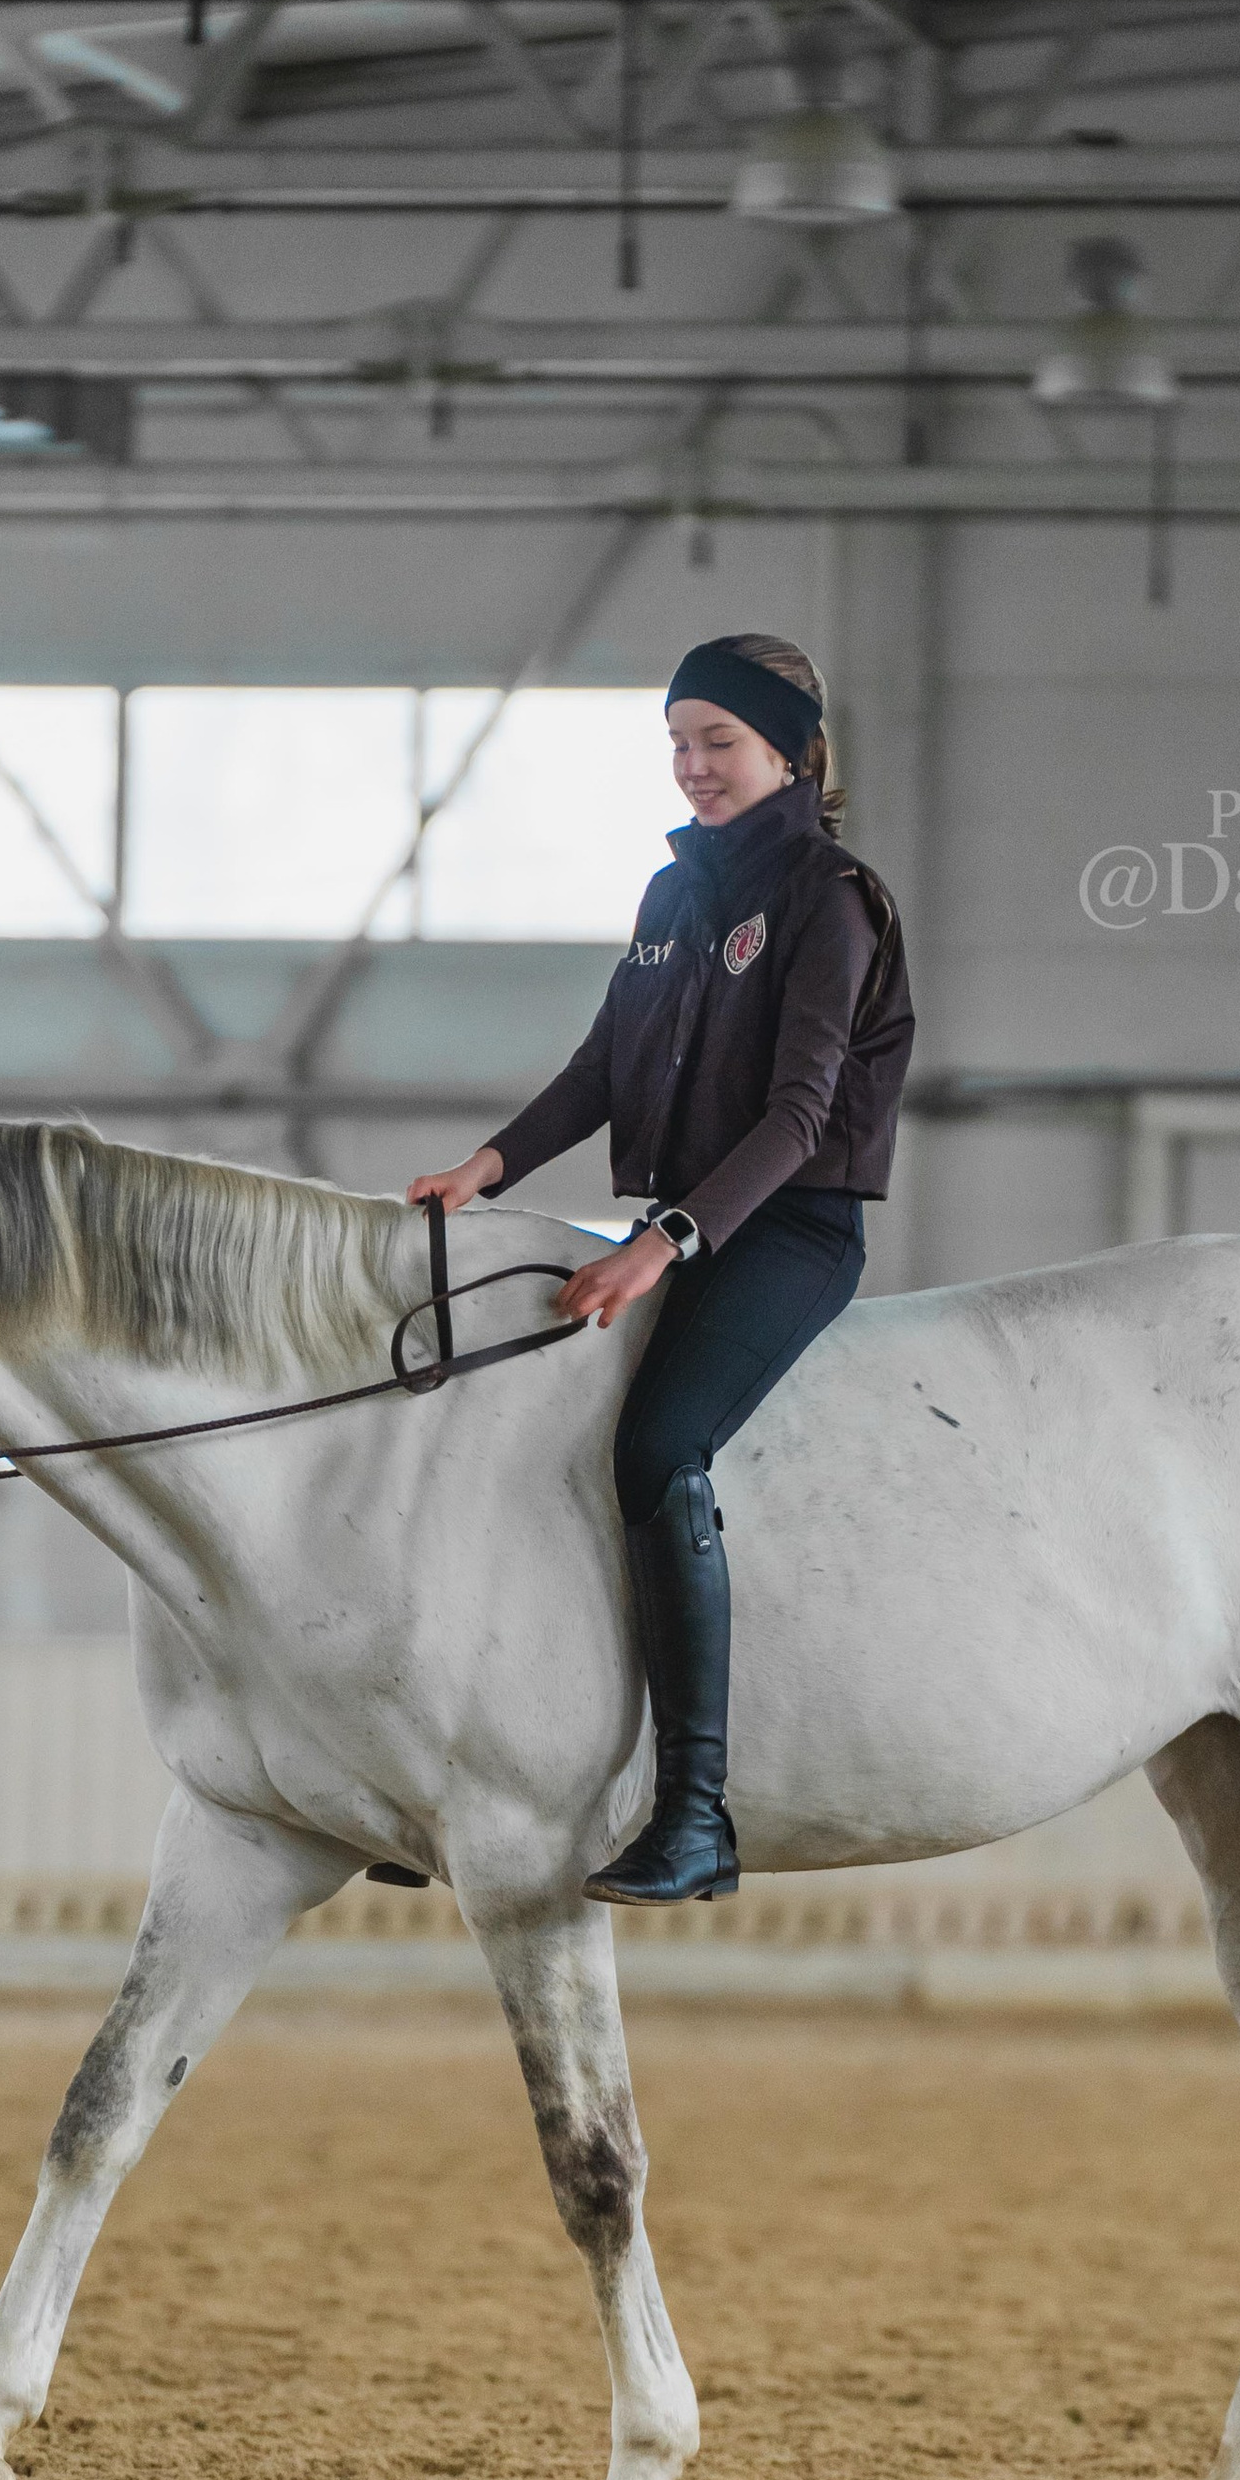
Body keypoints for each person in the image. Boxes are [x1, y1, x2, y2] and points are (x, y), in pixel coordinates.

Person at [410, 633, 915, 1904]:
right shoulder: (672, 894)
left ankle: (696, 1811)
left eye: (718, 742)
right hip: (676, 1219)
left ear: (791, 751)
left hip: (786, 1230)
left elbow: (798, 1117)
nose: (692, 766)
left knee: (653, 1451)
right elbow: (599, 1070)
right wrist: (489, 1165)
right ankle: (442, 1765)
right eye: (678, 745)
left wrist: (663, 1245)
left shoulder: (831, 898)